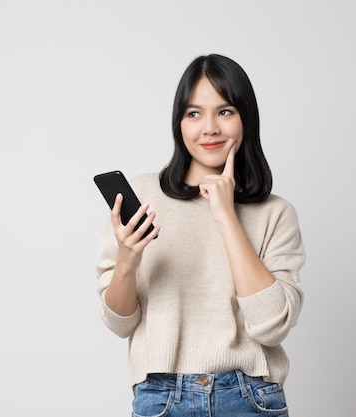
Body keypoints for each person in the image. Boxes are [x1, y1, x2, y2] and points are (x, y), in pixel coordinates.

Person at [94, 54, 305, 417]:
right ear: (179, 123)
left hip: (249, 396)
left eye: (225, 112)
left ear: (246, 119)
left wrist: (226, 217)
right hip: (161, 398)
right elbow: (120, 322)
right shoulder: (140, 197)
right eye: (194, 113)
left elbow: (272, 326)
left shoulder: (275, 213)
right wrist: (128, 259)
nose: (209, 128)